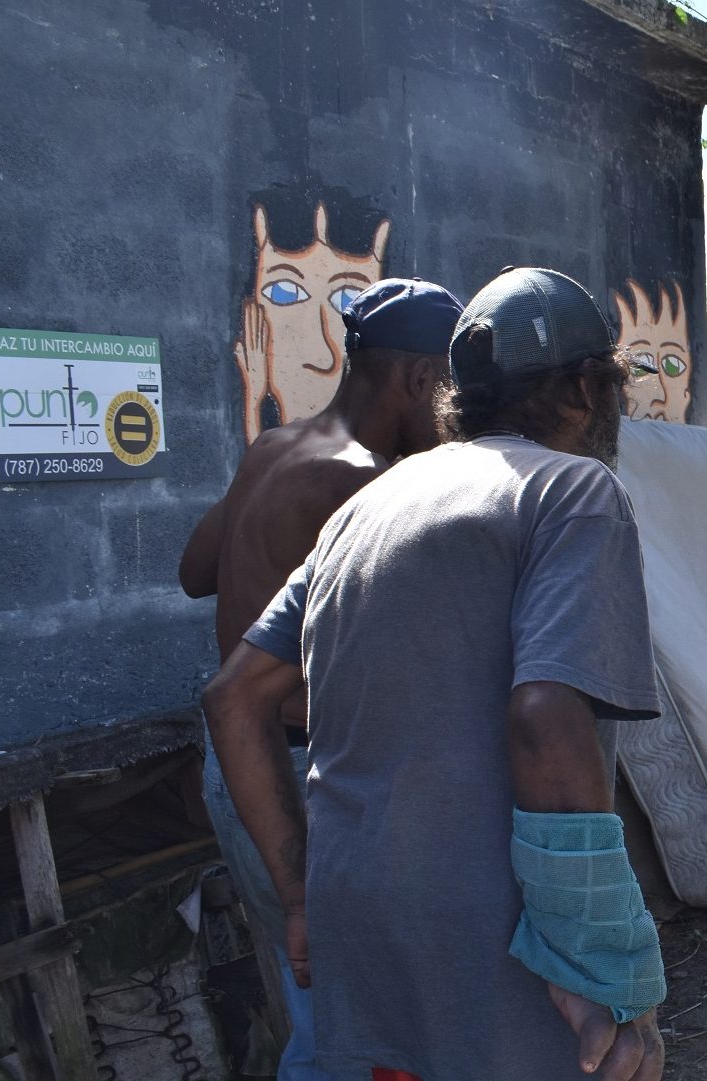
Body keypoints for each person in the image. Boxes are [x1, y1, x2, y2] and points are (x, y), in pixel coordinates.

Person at [203, 267, 667, 1080]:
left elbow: (234, 695)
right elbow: (544, 714)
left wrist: (301, 892)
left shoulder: (369, 505)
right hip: (492, 928)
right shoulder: (571, 489)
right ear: (591, 388)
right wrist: (596, 960)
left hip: (357, 914)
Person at [179, 276, 462, 1079]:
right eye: (451, 395)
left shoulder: (273, 447)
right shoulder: (365, 485)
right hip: (301, 777)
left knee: (319, 1008)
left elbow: (195, 570)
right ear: (417, 381)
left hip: (234, 768)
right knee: (357, 1031)